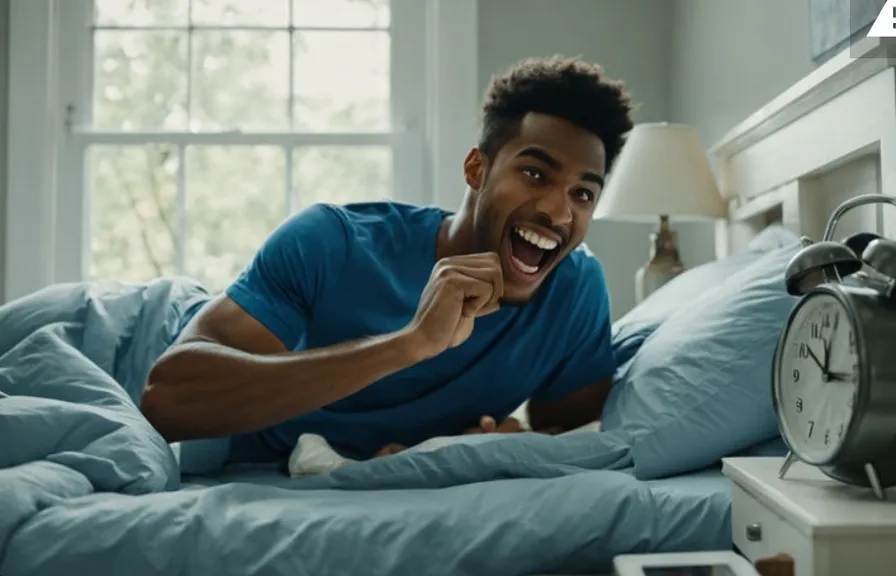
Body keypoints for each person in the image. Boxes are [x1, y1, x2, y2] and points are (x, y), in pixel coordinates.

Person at [141, 55, 635, 463]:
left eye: (582, 194)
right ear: (476, 168)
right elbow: (169, 400)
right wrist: (410, 343)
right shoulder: (331, 242)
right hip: (145, 335)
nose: (557, 211)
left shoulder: (574, 289)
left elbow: (568, 429)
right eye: (534, 174)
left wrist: (504, 440)